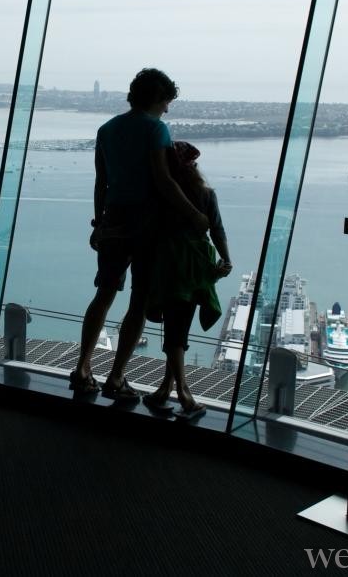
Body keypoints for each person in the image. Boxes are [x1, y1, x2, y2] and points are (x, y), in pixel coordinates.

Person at [70, 69, 209, 401]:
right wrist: (194, 214)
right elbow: (163, 180)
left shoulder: (107, 130)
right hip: (147, 224)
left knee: (103, 294)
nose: (167, 110)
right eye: (166, 102)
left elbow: (100, 182)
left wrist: (99, 222)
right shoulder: (155, 129)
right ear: (157, 99)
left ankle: (83, 368)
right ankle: (116, 377)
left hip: (113, 221)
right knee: (139, 301)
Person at [142, 140, 232, 420]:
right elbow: (217, 230)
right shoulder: (206, 194)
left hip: (169, 264)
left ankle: (180, 392)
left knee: (175, 328)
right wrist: (226, 260)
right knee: (179, 327)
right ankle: (169, 389)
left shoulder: (162, 194)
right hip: (198, 266)